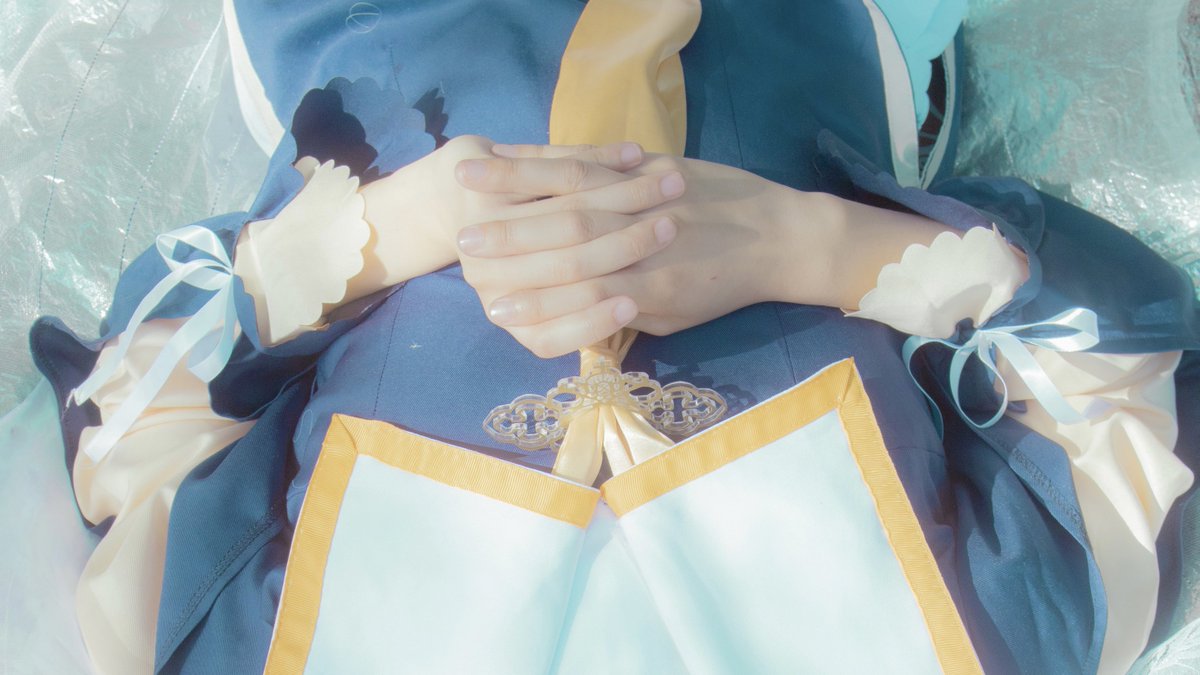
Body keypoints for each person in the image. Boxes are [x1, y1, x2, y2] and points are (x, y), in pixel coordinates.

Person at [29, 0, 1200, 672]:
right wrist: (813, 247)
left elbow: (135, 415)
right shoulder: (981, 649)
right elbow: (1136, 386)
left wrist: (389, 232)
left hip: (369, 36)